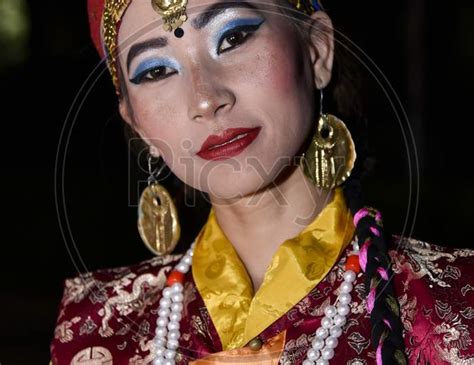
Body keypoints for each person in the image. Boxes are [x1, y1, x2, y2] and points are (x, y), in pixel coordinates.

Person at [50, 0, 474, 364]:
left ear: (317, 50)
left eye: (233, 38)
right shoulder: (95, 327)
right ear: (134, 120)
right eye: (156, 70)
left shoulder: (455, 304)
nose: (205, 99)